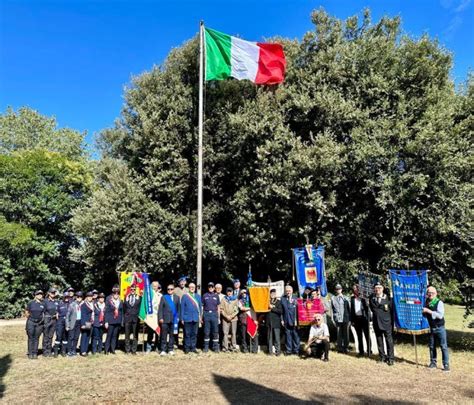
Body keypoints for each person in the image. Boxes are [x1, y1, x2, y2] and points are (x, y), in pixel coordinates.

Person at [423, 286, 450, 372]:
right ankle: (433, 362)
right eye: (429, 293)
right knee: (431, 346)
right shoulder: (426, 302)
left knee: (443, 346)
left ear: (436, 294)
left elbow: (440, 315)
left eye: (432, 293)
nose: (430, 294)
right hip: (431, 328)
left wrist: (428, 311)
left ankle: (446, 364)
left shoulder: (439, 302)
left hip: (440, 327)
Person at [369, 282, 394, 365]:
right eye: (376, 288)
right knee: (379, 341)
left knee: (389, 341)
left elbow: (392, 311)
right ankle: (382, 357)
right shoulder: (372, 298)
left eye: (379, 288)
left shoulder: (388, 299)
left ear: (382, 289)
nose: (377, 289)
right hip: (376, 323)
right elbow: (373, 310)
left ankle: (390, 358)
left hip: (387, 323)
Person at [179, 282, 202, 354]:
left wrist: (200, 317)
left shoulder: (198, 296)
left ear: (195, 288)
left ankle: (193, 347)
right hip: (187, 318)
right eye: (191, 287)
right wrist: (182, 318)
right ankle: (187, 348)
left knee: (194, 334)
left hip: (195, 318)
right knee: (187, 334)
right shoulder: (185, 296)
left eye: (193, 287)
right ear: (188, 288)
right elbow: (182, 308)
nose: (192, 288)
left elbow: (200, 308)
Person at [159, 284, 180, 356]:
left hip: (173, 320)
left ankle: (170, 349)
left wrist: (178, 317)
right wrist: (160, 318)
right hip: (165, 319)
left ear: (173, 290)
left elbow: (178, 309)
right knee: (163, 335)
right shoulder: (164, 297)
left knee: (172, 335)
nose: (170, 290)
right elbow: (160, 309)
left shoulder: (177, 298)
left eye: (171, 289)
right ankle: (163, 350)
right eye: (168, 289)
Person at [350, 284, 370, 357]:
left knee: (367, 336)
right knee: (359, 336)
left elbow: (367, 307)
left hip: (364, 318)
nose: (355, 290)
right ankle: (361, 351)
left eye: (356, 289)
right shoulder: (352, 298)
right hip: (356, 319)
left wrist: (364, 298)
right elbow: (352, 310)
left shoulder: (363, 298)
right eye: (353, 289)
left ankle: (369, 351)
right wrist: (352, 320)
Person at [331, 284, 350, 353]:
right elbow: (332, 309)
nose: (338, 290)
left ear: (341, 289)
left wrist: (350, 319)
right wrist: (332, 319)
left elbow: (349, 309)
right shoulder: (333, 298)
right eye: (336, 289)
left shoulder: (346, 298)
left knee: (346, 334)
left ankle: (346, 347)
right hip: (337, 319)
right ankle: (339, 348)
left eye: (339, 289)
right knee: (339, 334)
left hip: (345, 318)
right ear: (335, 290)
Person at [25, 290, 45, 359]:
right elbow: (27, 312)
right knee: (31, 338)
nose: (40, 295)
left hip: (39, 323)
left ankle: (35, 353)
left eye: (41, 294)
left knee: (36, 338)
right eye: (38, 294)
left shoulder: (43, 304)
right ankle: (30, 353)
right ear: (35, 295)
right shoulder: (31, 303)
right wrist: (31, 319)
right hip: (31, 322)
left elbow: (44, 313)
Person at [202, 282, 221, 353]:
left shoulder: (216, 296)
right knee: (206, 332)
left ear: (214, 288)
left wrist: (218, 318)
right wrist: (201, 317)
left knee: (215, 332)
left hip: (214, 315)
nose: (211, 288)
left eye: (212, 287)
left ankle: (215, 347)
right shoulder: (204, 295)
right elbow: (202, 307)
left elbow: (218, 308)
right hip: (206, 314)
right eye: (209, 287)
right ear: (208, 287)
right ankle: (206, 347)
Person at [281, 285, 300, 355]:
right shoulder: (283, 299)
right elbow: (281, 311)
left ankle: (296, 350)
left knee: (296, 336)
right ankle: (288, 350)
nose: (288, 292)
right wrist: (282, 320)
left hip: (294, 321)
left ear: (292, 291)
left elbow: (299, 310)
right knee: (288, 336)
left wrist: (298, 321)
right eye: (286, 291)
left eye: (289, 291)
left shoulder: (296, 298)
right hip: (286, 320)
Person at [104, 285, 123, 355]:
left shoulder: (121, 299)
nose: (116, 294)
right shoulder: (108, 299)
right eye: (115, 292)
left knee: (115, 336)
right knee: (109, 335)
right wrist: (106, 321)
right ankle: (106, 350)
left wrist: (121, 321)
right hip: (110, 321)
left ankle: (113, 349)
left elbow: (121, 311)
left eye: (117, 292)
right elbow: (106, 311)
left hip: (117, 321)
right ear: (113, 292)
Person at [238, 289, 258, 353]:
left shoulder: (251, 301)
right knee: (243, 335)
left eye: (245, 292)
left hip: (251, 319)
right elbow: (241, 308)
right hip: (243, 320)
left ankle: (254, 349)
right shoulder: (240, 301)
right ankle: (245, 349)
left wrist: (255, 319)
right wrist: (249, 308)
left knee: (253, 334)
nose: (244, 294)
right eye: (242, 293)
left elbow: (255, 309)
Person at [123, 284, 141, 355]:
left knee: (135, 335)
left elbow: (140, 308)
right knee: (127, 335)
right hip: (127, 319)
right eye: (131, 289)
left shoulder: (139, 297)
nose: (132, 290)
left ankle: (134, 350)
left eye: (134, 289)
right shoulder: (126, 297)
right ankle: (127, 350)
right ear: (130, 290)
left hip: (136, 319)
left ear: (136, 290)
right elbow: (124, 308)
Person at [220, 287, 239, 352]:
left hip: (234, 319)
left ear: (232, 292)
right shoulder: (223, 299)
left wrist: (231, 316)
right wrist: (226, 316)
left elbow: (237, 310)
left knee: (233, 333)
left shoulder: (235, 299)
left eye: (230, 291)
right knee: (225, 333)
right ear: (226, 292)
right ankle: (225, 347)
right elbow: (221, 309)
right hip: (225, 319)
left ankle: (233, 347)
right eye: (228, 291)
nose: (229, 293)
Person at [66, 291, 83, 357]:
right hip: (73, 322)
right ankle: (69, 351)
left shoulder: (82, 304)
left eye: (81, 297)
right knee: (71, 337)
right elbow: (67, 316)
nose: (79, 298)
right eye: (78, 297)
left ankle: (74, 350)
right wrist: (67, 325)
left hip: (79, 322)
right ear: (76, 297)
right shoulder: (72, 304)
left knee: (76, 337)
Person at [42, 288, 59, 357]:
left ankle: (49, 350)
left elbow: (58, 310)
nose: (53, 294)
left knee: (51, 336)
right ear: (49, 293)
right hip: (47, 319)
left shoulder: (56, 301)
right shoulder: (45, 301)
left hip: (54, 320)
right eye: (52, 292)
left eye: (54, 293)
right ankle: (45, 351)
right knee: (46, 336)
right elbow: (42, 311)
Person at [146, 281, 162, 353]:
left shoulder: (160, 295)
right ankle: (148, 347)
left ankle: (157, 347)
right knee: (150, 333)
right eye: (153, 286)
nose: (155, 287)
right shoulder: (148, 296)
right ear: (151, 286)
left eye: (156, 286)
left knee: (157, 333)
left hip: (158, 317)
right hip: (151, 317)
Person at [267, 288, 283, 356]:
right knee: (269, 338)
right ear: (270, 294)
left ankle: (278, 351)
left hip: (276, 322)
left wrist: (272, 308)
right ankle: (270, 352)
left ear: (275, 294)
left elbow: (280, 311)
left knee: (277, 338)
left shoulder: (278, 302)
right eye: (271, 293)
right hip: (269, 322)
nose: (272, 295)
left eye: (274, 293)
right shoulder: (267, 301)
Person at [54, 292, 70, 357]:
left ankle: (63, 351)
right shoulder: (60, 304)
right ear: (63, 297)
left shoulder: (71, 304)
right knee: (58, 336)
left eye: (67, 297)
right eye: (65, 297)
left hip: (67, 322)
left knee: (65, 337)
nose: (66, 298)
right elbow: (57, 313)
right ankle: (56, 351)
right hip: (60, 322)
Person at [79, 291, 94, 356]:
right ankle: (82, 351)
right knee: (84, 336)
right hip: (86, 322)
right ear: (86, 297)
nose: (90, 297)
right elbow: (82, 315)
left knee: (88, 337)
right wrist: (83, 324)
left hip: (91, 322)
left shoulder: (93, 304)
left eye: (91, 296)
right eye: (88, 296)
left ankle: (86, 350)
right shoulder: (84, 305)